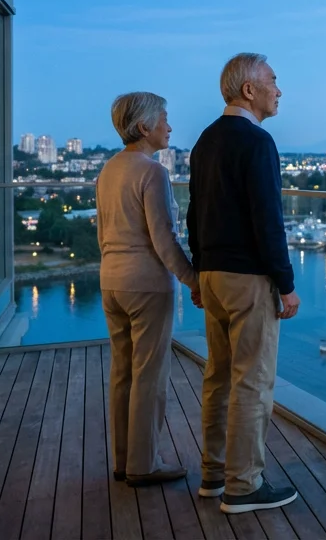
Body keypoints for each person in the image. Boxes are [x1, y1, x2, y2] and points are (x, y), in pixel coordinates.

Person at [188, 52, 301, 515]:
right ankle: (244, 485)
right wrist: (286, 282)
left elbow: (195, 213)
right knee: (252, 381)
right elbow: (267, 220)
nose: (280, 90)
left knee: (218, 377)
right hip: (248, 277)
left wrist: (197, 274)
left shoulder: (204, 141)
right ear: (249, 90)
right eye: (274, 81)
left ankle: (214, 475)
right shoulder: (257, 142)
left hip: (212, 274)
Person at [97, 92, 199, 487]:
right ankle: (144, 465)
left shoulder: (108, 169)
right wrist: (193, 280)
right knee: (150, 376)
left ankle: (124, 461)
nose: (170, 127)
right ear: (144, 127)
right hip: (147, 286)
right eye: (164, 120)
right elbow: (164, 239)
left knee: (122, 373)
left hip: (112, 281)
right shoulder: (151, 172)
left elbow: (103, 232)